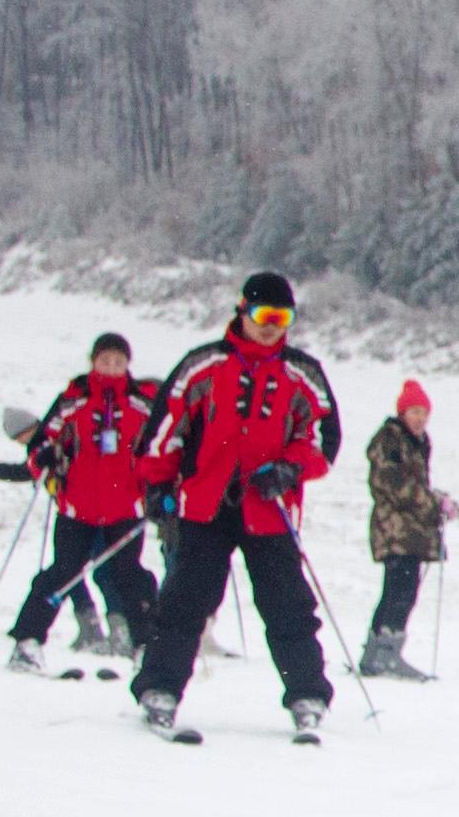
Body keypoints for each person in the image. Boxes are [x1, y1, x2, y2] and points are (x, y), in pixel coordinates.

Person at [131, 272, 345, 742]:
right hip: (204, 506)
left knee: (287, 604)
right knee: (185, 600)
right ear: (242, 311)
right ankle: (159, 688)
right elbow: (166, 429)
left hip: (269, 509)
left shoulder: (301, 373)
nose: (272, 326)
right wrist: (156, 486)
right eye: (263, 315)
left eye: (282, 317)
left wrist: (290, 469)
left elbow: (322, 438)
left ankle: (307, 693)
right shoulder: (203, 365)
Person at [6, 333, 163, 672]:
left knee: (130, 576)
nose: (111, 367)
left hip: (126, 507)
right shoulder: (72, 400)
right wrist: (44, 459)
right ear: (93, 361)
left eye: (118, 362)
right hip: (77, 506)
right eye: (105, 360)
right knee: (63, 573)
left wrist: (164, 486)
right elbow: (40, 444)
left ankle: (145, 647)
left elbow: (166, 445)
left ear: (127, 365)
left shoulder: (143, 403)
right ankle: (28, 642)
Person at [362, 378, 459, 681]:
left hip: (409, 528)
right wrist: (433, 503)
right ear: (402, 413)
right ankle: (386, 656)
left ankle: (375, 654)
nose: (420, 419)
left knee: (398, 589)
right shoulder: (390, 440)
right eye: (415, 412)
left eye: (424, 413)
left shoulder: (417, 443)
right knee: (401, 590)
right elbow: (395, 485)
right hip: (395, 527)